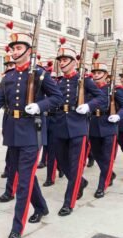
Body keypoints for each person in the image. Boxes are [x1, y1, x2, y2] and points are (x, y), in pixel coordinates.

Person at [0, 32, 63, 238]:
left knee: (23, 182)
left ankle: (17, 228)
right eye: (11, 48)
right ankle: (41, 207)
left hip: (32, 133)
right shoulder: (9, 77)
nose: (13, 52)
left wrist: (40, 106)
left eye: (17, 48)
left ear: (28, 51)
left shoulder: (40, 75)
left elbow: (57, 97)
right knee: (26, 176)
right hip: (13, 132)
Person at [51, 46, 105, 216]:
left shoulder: (84, 80)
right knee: (61, 162)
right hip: (60, 126)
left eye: (65, 60)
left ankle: (69, 202)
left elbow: (101, 97)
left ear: (74, 62)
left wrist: (88, 106)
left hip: (78, 126)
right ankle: (80, 182)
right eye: (60, 60)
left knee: (75, 166)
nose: (62, 63)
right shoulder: (58, 81)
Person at [88, 57, 122, 198]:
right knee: (96, 155)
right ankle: (110, 174)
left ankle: (102, 185)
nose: (95, 75)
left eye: (99, 72)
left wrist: (118, 116)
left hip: (109, 126)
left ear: (106, 74)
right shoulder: (89, 89)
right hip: (93, 126)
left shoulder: (114, 90)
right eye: (94, 72)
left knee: (107, 158)